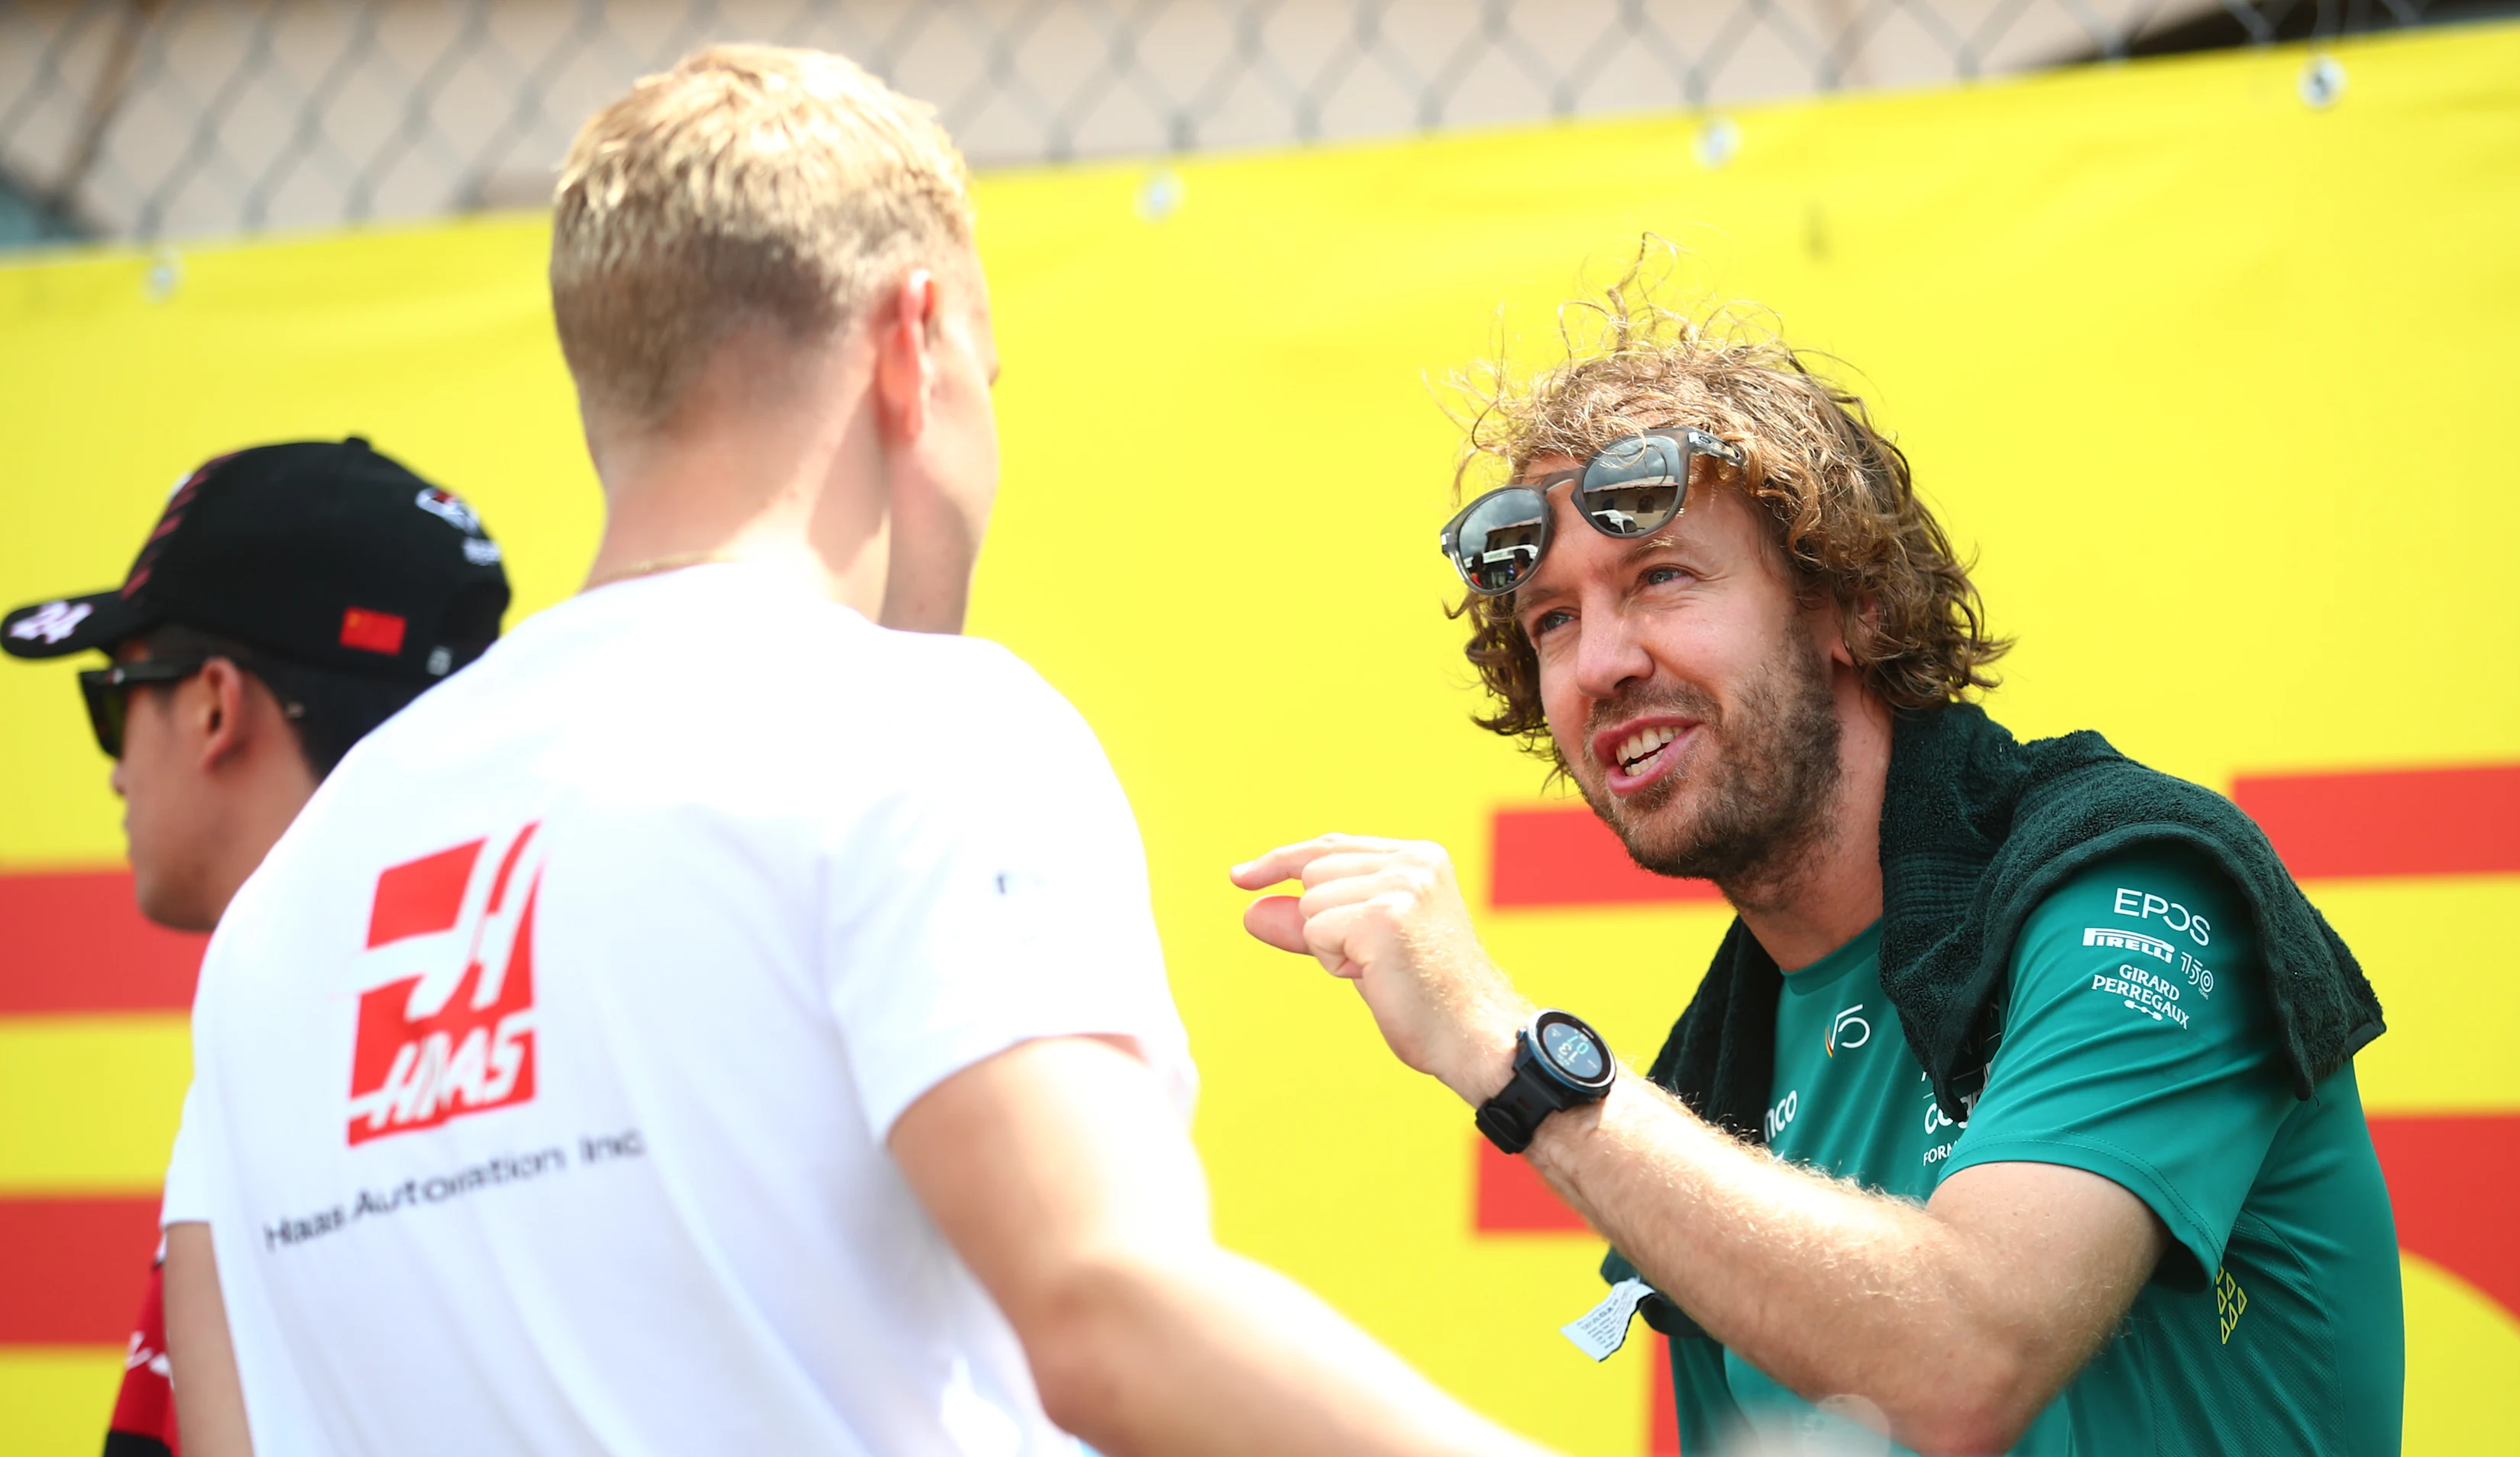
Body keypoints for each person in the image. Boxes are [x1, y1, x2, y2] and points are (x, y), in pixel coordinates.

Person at [161, 44, 1557, 1457]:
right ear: (917, 342)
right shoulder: (914, 732)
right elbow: (1105, 1314)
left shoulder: (284, 906)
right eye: (987, 376)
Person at [1234, 292, 2402, 1455]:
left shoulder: (2133, 888)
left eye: (1660, 578)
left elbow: (1964, 1364)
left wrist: (1506, 1046)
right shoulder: (1711, 1081)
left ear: (1854, 604)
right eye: (1551, 621)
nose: (1599, 665)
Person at [1, 437, 513, 1457]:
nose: (116, 771)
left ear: (213, 705)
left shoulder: (282, 1032)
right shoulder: (489, 1030)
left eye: (115, 698)